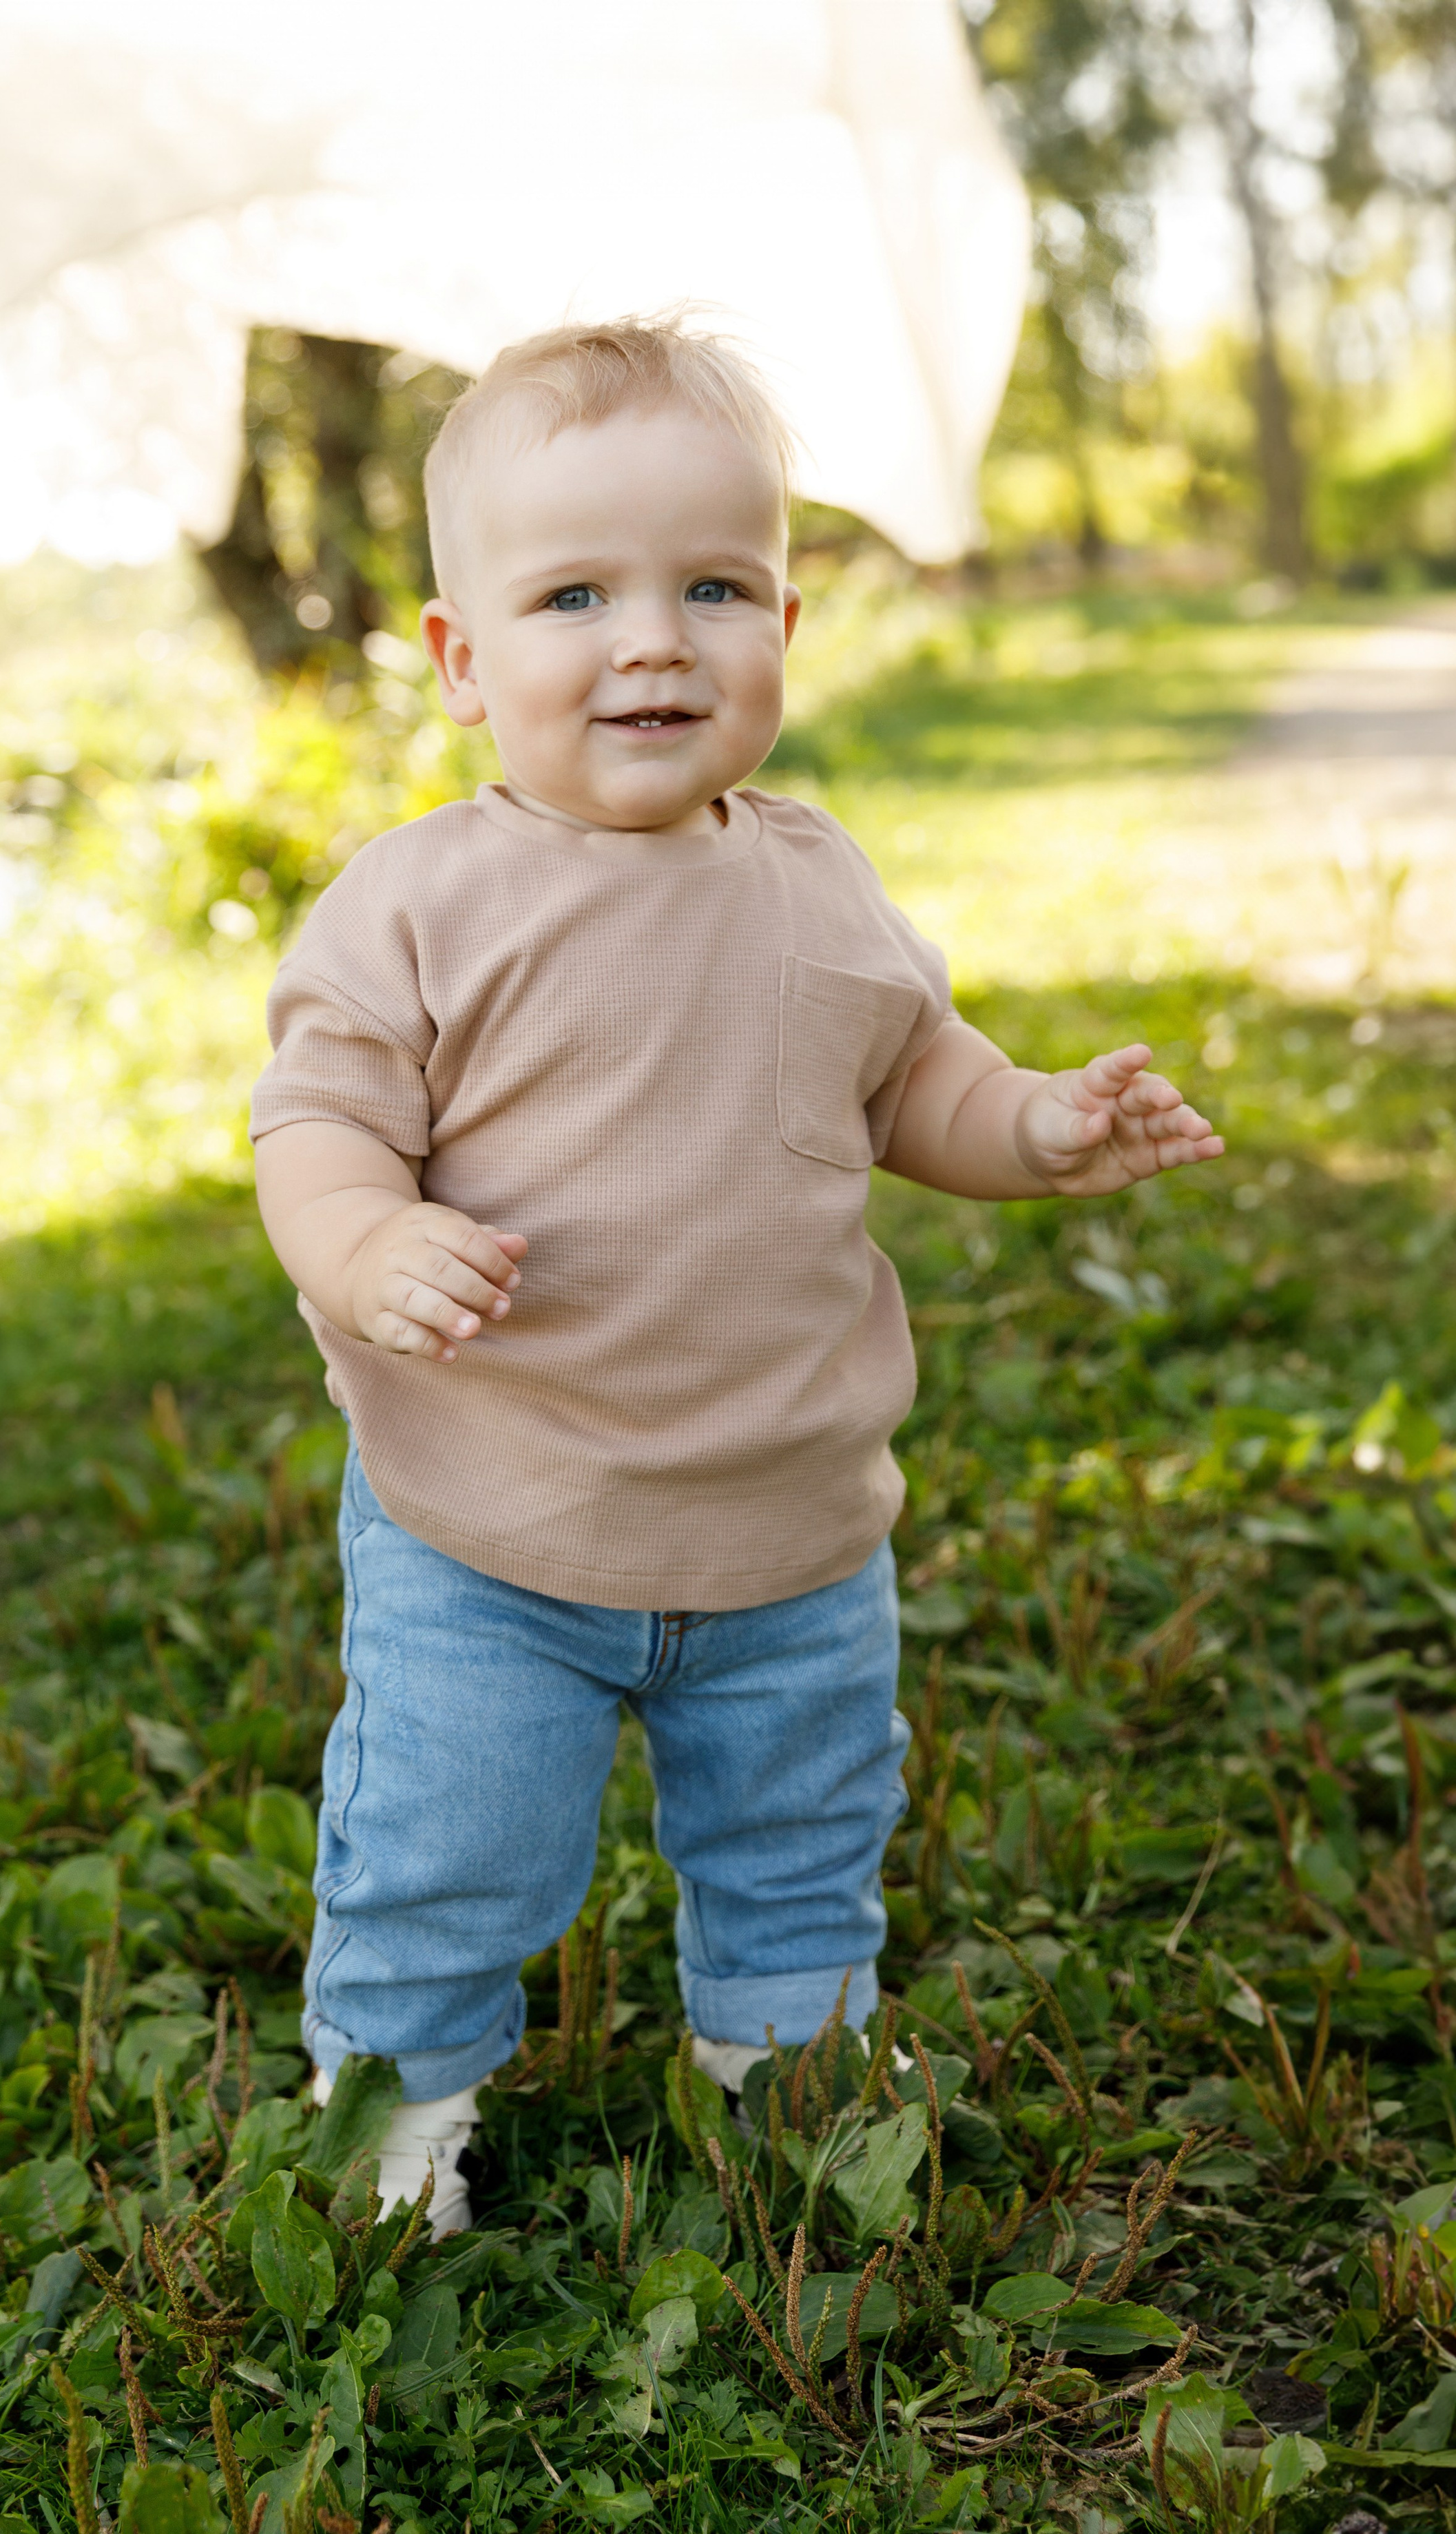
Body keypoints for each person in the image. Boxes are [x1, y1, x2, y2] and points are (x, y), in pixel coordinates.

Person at [250, 317, 1223, 2233]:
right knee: (452, 1838)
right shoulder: (418, 904)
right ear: (461, 659)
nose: (652, 643)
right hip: (496, 1532)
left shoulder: (815, 874)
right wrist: (365, 1241)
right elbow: (317, 1125)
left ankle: (789, 2062)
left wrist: (1030, 1127)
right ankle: (394, 2115)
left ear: (786, 620)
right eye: (574, 597)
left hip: (790, 1528)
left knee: (802, 1828)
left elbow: (914, 1077)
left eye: (712, 588)